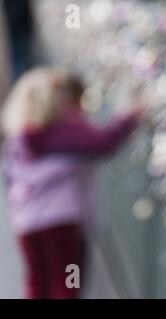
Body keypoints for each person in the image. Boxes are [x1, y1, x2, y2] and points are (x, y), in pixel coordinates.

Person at [1, 67, 143, 299]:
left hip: (25, 222)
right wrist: (130, 118)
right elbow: (104, 142)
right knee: (68, 281)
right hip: (61, 220)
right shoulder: (64, 133)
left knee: (37, 281)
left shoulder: (19, 139)